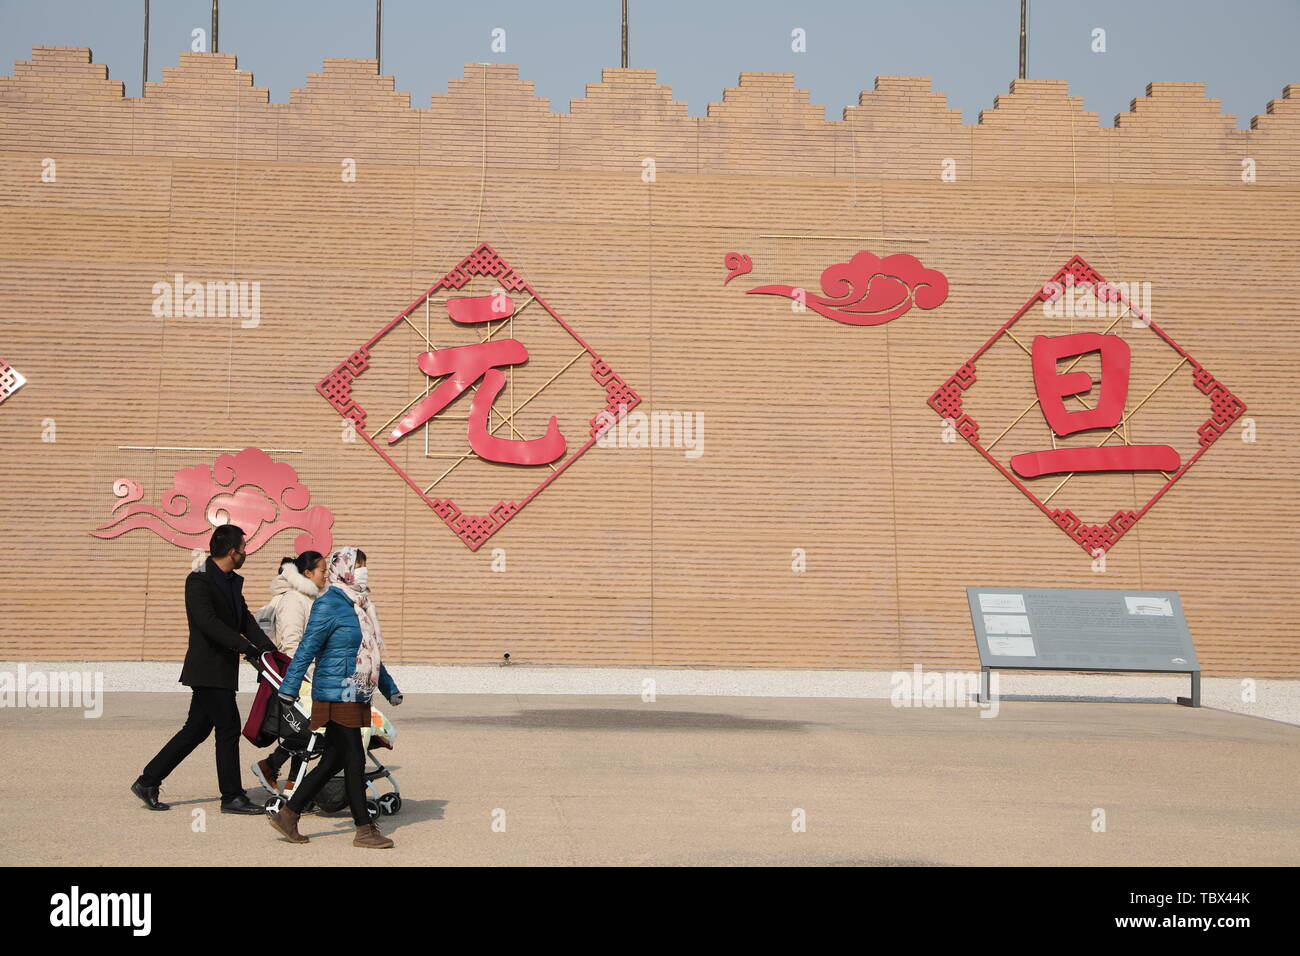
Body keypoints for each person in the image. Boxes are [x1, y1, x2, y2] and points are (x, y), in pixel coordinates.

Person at [132, 524, 276, 814]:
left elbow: (244, 619)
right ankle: (232, 796)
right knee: (228, 727)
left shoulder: (232, 581)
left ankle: (148, 780)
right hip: (206, 668)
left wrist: (268, 651)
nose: (246, 553)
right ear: (233, 551)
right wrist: (247, 649)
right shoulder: (198, 581)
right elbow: (209, 624)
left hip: (222, 669)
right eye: (244, 548)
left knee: (196, 730)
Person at [267, 547, 402, 848]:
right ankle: (364, 829)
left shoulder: (361, 605)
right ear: (343, 569)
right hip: (335, 691)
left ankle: (289, 813)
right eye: (360, 566)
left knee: (334, 758)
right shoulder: (329, 603)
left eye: (366, 566)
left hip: (357, 692)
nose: (364, 572)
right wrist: (288, 688)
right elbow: (306, 648)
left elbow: (370, 654)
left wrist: (389, 688)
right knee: (354, 757)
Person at [251, 550, 326, 796]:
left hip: (310, 674)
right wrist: (303, 677)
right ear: (307, 573)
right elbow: (292, 643)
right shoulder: (295, 600)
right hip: (299, 676)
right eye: (322, 571)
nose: (326, 576)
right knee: (308, 729)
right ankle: (274, 769)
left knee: (307, 729)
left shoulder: (309, 598)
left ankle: (288, 778)